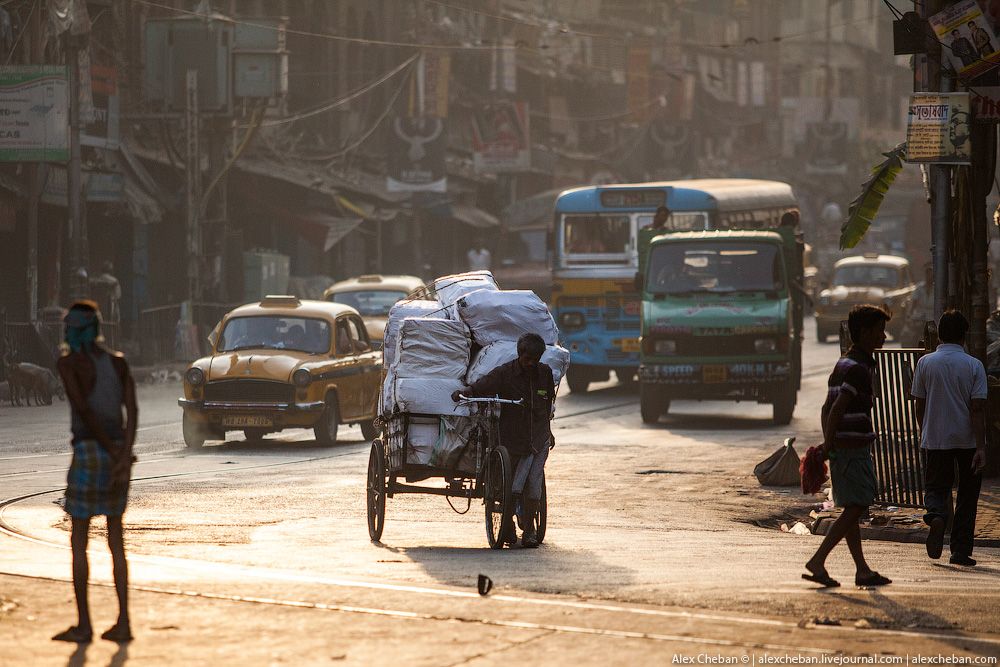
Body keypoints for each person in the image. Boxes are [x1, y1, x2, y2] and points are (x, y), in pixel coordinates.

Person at [53, 301, 137, 643]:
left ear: (73, 330)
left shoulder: (69, 364)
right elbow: (131, 409)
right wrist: (122, 452)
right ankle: (124, 622)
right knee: (116, 541)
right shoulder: (118, 363)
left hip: (89, 453)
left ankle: (84, 625)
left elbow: (83, 409)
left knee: (79, 540)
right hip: (118, 454)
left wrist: (108, 448)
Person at [803, 304, 892, 588]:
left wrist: (829, 442)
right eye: (879, 331)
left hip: (845, 446)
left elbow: (826, 407)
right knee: (859, 504)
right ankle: (818, 560)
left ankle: (862, 570)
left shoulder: (844, 363)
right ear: (864, 333)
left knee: (853, 506)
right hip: (851, 448)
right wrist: (829, 444)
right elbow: (838, 407)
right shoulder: (858, 369)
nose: (884, 337)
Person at [451, 332, 554, 548]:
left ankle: (530, 530)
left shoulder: (545, 373)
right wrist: (465, 392)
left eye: (536, 360)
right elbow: (483, 385)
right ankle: (507, 525)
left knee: (533, 485)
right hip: (512, 438)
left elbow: (547, 406)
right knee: (509, 486)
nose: (531, 364)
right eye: (528, 359)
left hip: (538, 438)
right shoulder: (505, 373)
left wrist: (549, 431)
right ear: (520, 355)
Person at [910, 310, 988, 566]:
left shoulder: (925, 363)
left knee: (936, 487)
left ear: (940, 335)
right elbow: (977, 409)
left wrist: (925, 430)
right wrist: (980, 445)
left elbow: (919, 404)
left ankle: (936, 516)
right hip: (966, 440)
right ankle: (960, 550)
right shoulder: (974, 365)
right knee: (967, 495)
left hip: (936, 437)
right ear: (964, 336)